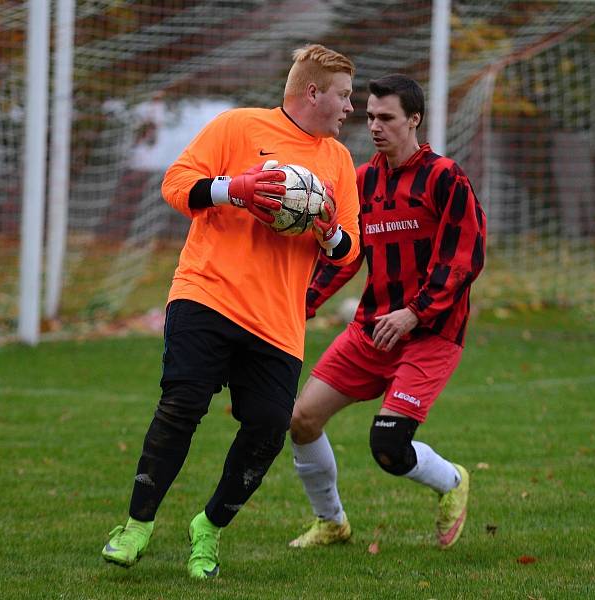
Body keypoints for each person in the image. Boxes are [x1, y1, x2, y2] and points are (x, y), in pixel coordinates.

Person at [101, 44, 360, 580]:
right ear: (313, 93)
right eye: (345, 96)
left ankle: (209, 528)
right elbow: (175, 184)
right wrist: (233, 189)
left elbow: (350, 250)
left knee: (268, 428)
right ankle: (136, 525)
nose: (350, 108)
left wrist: (327, 231)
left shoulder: (337, 162)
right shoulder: (238, 126)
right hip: (207, 294)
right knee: (182, 405)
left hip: (278, 321)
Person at [289, 74, 486, 550]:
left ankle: (453, 482)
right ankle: (331, 522)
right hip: (372, 330)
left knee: (389, 446)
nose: (374, 126)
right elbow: (346, 254)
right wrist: (301, 305)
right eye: (370, 116)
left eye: (387, 117)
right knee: (301, 420)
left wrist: (415, 313)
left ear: (414, 119)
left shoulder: (445, 177)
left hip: (431, 334)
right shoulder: (363, 181)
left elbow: (464, 257)